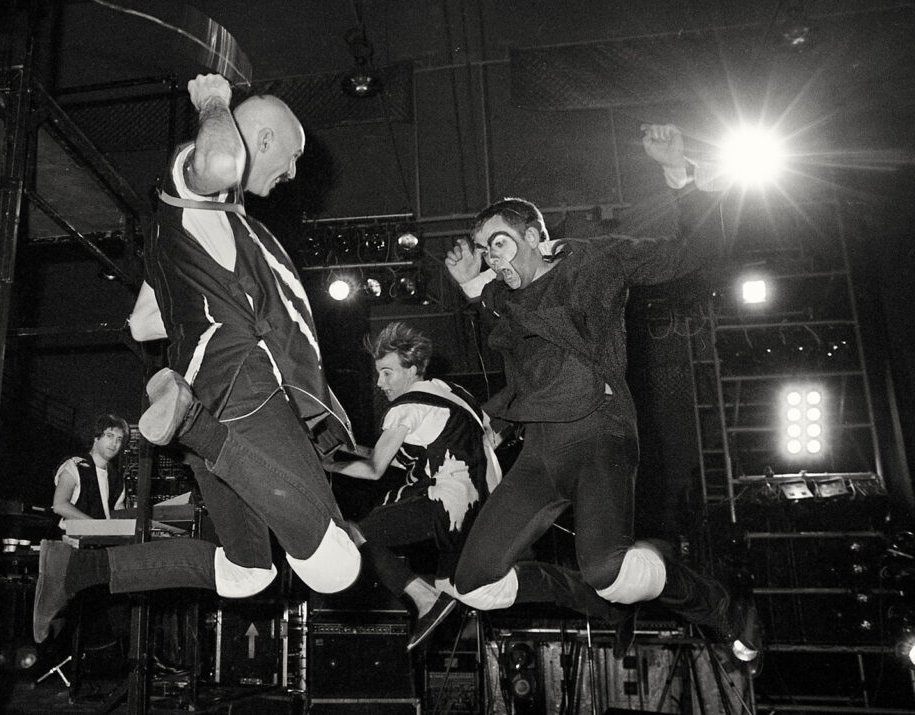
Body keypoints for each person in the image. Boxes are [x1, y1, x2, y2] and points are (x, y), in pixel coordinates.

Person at [33, 74, 361, 644]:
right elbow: (219, 164)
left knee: (247, 573)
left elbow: (143, 323)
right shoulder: (199, 176)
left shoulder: (192, 228)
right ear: (260, 139)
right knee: (336, 566)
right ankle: (189, 423)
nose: (291, 172)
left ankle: (75, 570)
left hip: (206, 392)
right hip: (242, 384)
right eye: (291, 154)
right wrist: (214, 103)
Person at [442, 124, 761, 664]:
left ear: (536, 237)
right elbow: (514, 337)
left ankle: (721, 606)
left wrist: (681, 174)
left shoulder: (596, 262)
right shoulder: (500, 298)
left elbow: (691, 252)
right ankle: (600, 606)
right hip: (542, 453)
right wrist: (475, 289)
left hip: (600, 434)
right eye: (482, 251)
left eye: (498, 243)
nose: (491, 258)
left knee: (609, 570)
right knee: (473, 584)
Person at [324, 322, 500, 650]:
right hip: (478, 511)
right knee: (453, 589)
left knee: (352, 533)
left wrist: (324, 464)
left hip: (446, 503)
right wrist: (342, 451)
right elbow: (395, 456)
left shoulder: (408, 406)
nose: (380, 383)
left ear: (413, 370)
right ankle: (437, 601)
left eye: (388, 373)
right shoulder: (455, 395)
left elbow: (376, 468)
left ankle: (423, 599)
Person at [50, 413, 129, 529]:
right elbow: (60, 505)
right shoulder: (74, 465)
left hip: (102, 542)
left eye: (119, 439)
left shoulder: (116, 478)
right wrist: (97, 527)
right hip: (72, 541)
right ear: (96, 437)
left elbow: (120, 514)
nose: (114, 443)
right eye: (109, 436)